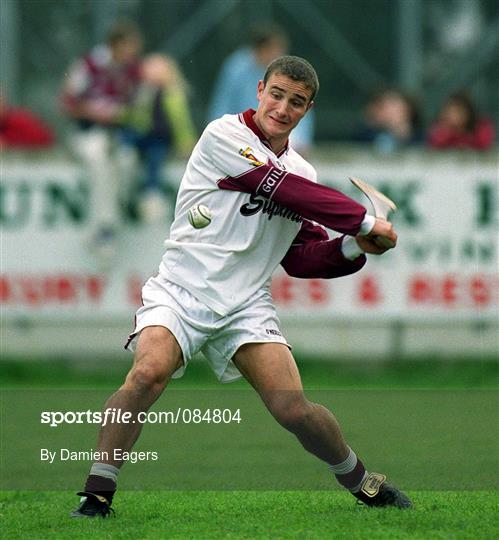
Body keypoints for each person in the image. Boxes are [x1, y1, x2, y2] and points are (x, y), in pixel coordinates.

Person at [71, 56, 411, 518]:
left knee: (294, 410)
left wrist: (355, 248)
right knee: (148, 373)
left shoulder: (304, 174)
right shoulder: (223, 136)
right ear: (259, 90)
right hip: (181, 289)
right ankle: (96, 495)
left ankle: (364, 484)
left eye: (297, 102)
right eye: (276, 94)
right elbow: (281, 189)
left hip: (246, 303)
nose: (282, 108)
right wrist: (365, 220)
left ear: (307, 109)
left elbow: (301, 259)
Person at [60, 21, 142, 264]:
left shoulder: (132, 70)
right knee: (98, 160)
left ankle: (110, 223)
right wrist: (96, 112)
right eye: (129, 47)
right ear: (115, 45)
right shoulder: (88, 65)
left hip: (119, 134)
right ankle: (105, 228)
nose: (132, 54)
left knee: (127, 162)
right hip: (88, 132)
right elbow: (67, 101)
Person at [207, 25, 314, 157]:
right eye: (276, 49)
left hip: (279, 135)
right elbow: (222, 104)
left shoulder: (289, 70)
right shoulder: (236, 67)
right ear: (261, 49)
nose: (280, 54)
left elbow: (300, 109)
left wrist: (303, 141)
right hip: (241, 134)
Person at [118, 54, 197, 222]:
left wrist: (185, 142)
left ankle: (151, 194)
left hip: (160, 138)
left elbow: (181, 121)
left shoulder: (173, 94)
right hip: (140, 135)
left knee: (155, 159)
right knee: (127, 148)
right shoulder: (142, 90)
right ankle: (127, 192)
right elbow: (132, 115)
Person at [353, 89, 422, 153]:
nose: (387, 110)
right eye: (383, 106)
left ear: (408, 109)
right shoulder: (366, 136)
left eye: (393, 105)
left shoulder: (421, 139)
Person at [427, 92, 495, 150]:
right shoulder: (441, 129)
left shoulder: (480, 126)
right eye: (450, 112)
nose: (453, 116)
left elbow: (484, 143)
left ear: (467, 113)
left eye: (457, 112)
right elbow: (435, 143)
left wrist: (462, 135)